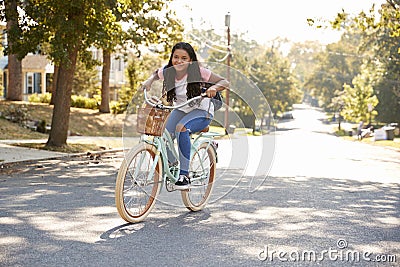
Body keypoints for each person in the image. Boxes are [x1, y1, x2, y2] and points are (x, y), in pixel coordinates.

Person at [142, 42, 229, 190]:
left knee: (181, 128)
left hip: (202, 110)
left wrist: (214, 88)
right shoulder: (168, 71)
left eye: (184, 58)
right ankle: (173, 164)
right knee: (164, 134)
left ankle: (184, 175)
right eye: (176, 57)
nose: (179, 61)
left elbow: (225, 81)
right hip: (181, 109)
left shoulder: (200, 72)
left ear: (190, 61)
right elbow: (156, 74)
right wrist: (149, 81)